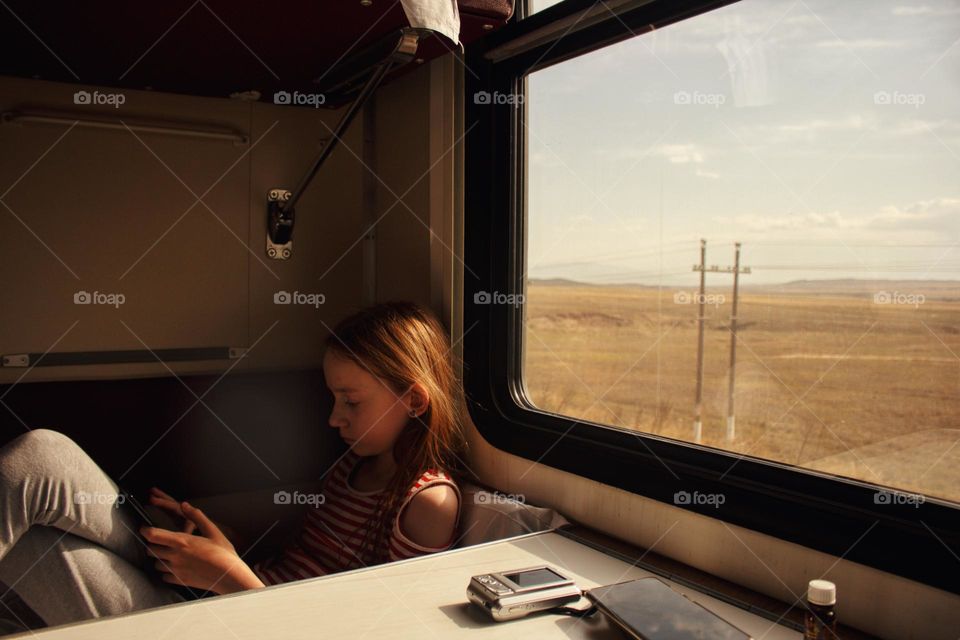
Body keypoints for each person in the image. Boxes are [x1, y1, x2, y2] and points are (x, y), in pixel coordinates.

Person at [0, 301, 466, 630]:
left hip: (237, 620)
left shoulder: (427, 503)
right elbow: (296, 567)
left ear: (413, 400)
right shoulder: (353, 466)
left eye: (351, 401)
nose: (333, 417)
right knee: (43, 456)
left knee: (32, 544)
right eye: (333, 397)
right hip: (227, 594)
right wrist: (223, 545)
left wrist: (229, 578)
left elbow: (381, 629)